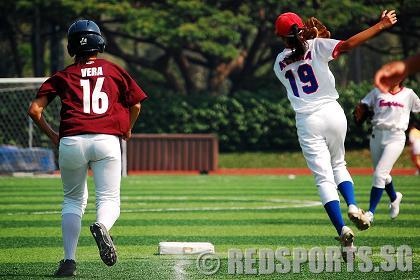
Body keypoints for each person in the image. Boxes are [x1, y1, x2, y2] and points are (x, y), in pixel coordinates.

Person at [273, 10, 397, 259]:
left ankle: (342, 229)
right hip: (333, 113)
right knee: (339, 163)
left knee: (323, 179)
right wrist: (382, 25)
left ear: (281, 38)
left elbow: (296, 55)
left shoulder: (278, 63)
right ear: (300, 29)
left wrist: (306, 40)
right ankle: (353, 205)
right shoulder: (317, 46)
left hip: (308, 120)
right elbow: (349, 44)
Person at [28, 19, 148, 276]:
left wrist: (52, 135)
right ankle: (102, 226)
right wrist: (127, 127)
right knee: (109, 199)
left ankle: (69, 261)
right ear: (99, 42)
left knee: (72, 200)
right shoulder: (114, 70)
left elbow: (35, 110)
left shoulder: (63, 76)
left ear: (72, 47)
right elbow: (136, 105)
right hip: (106, 140)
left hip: (72, 141)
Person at [355, 83, 419, 223]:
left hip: (396, 137)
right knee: (382, 174)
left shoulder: (409, 94)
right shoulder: (377, 91)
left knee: (379, 174)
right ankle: (395, 198)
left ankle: (370, 213)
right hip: (376, 136)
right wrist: (362, 108)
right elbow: (363, 105)